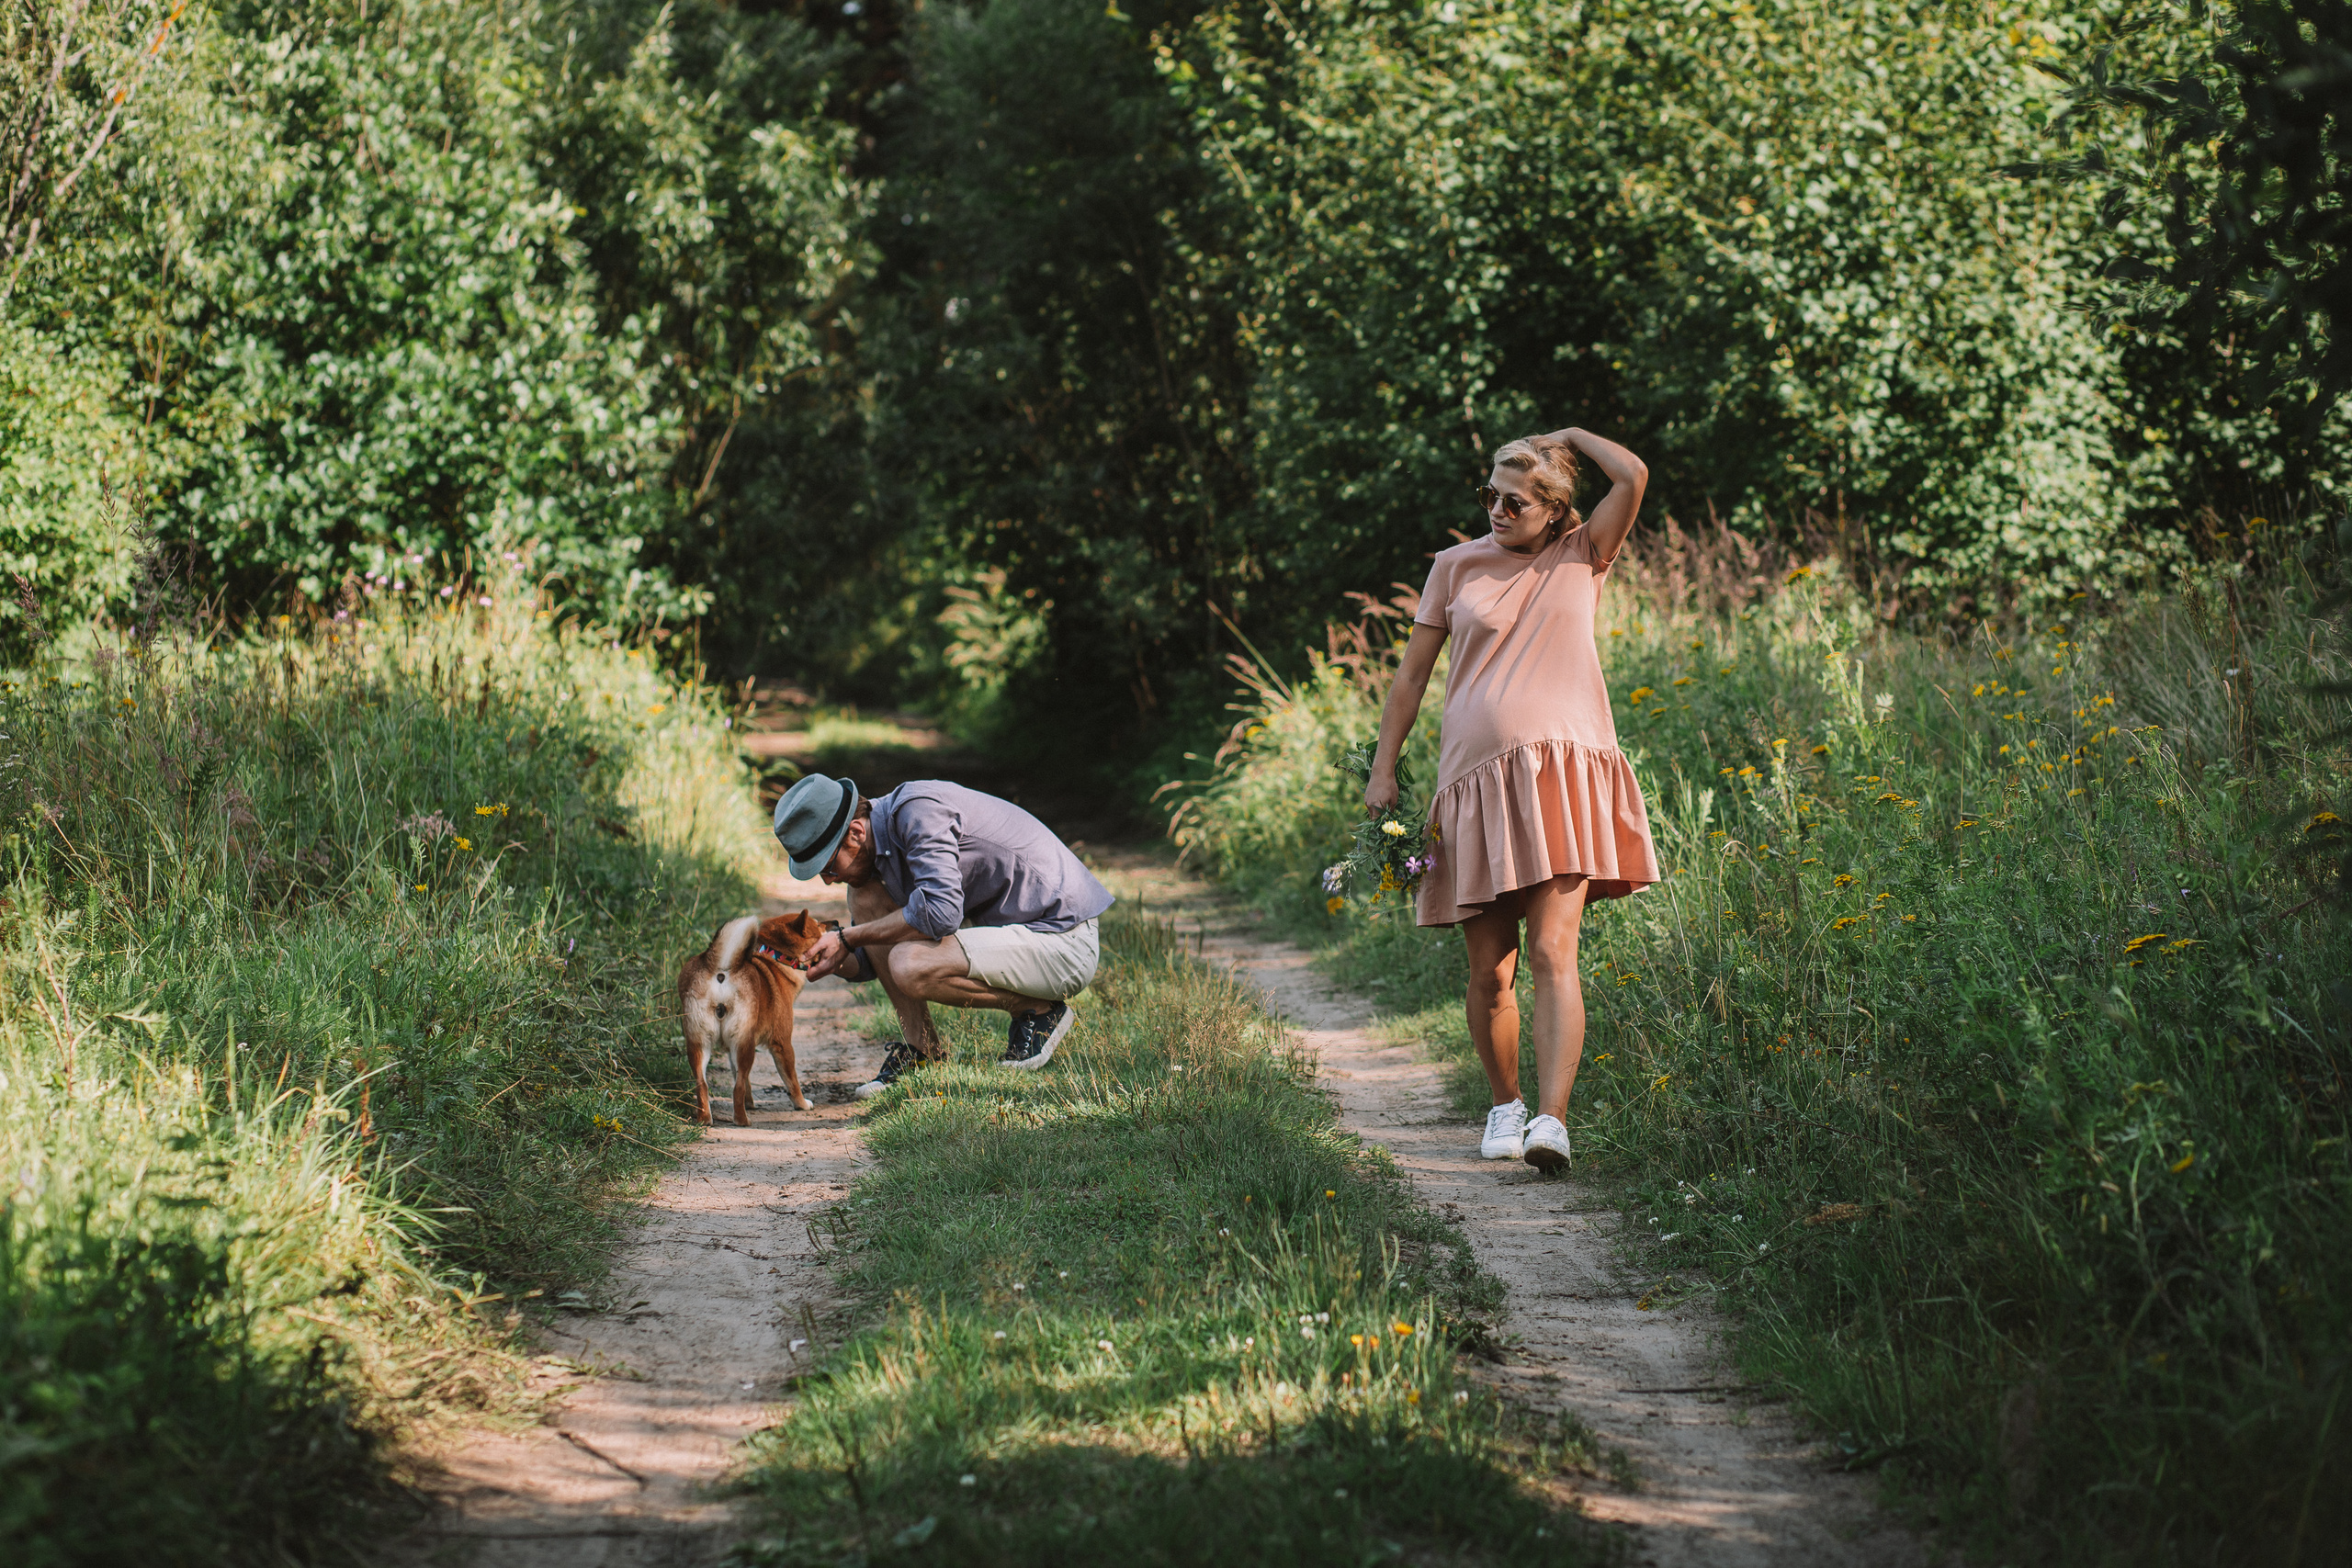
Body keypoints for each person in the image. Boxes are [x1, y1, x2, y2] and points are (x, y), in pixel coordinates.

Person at [1363, 427, 1660, 1172]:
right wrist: (1383, 768)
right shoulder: (1455, 567)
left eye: (1515, 500)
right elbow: (1411, 680)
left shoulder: (1583, 553)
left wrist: (1570, 437)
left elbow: (1632, 473)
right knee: (1491, 967)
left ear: (1555, 508)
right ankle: (1504, 1104)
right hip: (1474, 782)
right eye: (1489, 495)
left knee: (1556, 951)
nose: (1496, 508)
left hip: (1563, 775)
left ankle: (1552, 1123)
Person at [772, 773, 1114, 1097]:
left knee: (910, 963)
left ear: (857, 834)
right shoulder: (882, 845)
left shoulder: (919, 813)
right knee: (865, 896)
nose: (828, 881)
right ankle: (924, 1051)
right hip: (1022, 937)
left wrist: (849, 937)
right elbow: (872, 956)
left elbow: (941, 912)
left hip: (1063, 940)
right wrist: (829, 956)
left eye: (828, 867)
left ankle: (1038, 1011)